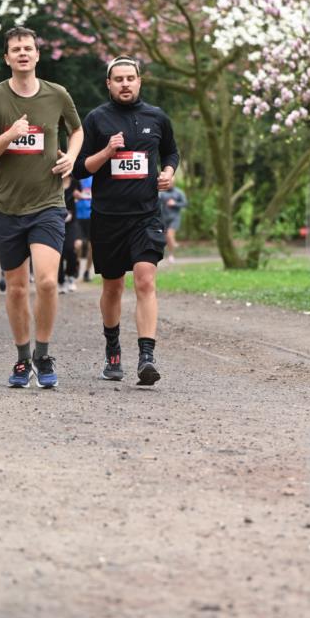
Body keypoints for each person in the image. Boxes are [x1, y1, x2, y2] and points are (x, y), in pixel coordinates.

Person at [0, 25, 83, 388]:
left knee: (49, 282)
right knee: (17, 287)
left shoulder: (57, 94)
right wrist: (10, 134)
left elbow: (77, 129)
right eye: (15, 49)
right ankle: (23, 359)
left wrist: (70, 156)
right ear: (6, 58)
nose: (23, 53)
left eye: (28, 48)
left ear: (37, 55)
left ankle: (43, 352)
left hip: (47, 204)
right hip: (6, 205)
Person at [74, 54, 179, 386]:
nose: (124, 84)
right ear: (109, 84)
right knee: (113, 286)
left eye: (130, 78)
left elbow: (172, 152)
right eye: (118, 79)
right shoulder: (96, 119)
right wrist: (106, 153)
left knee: (146, 281)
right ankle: (113, 350)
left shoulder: (157, 117)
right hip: (107, 217)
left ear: (139, 81)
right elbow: (79, 168)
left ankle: (147, 357)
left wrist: (168, 172)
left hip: (146, 216)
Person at [58, 175, 80, 294]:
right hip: (56, 220)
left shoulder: (75, 182)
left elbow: (81, 195)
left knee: (71, 248)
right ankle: (60, 281)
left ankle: (71, 276)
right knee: (58, 251)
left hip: (71, 221)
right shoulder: (54, 180)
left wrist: (79, 196)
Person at [159, 178, 188, 262]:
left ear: (174, 183)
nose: (170, 183)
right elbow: (156, 203)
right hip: (164, 218)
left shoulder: (179, 192)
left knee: (169, 235)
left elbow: (185, 203)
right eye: (169, 182)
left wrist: (175, 203)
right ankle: (171, 251)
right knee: (166, 239)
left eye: (171, 182)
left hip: (174, 218)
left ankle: (171, 254)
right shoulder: (161, 193)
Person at [73, 174, 93, 280]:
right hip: (77, 216)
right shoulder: (76, 176)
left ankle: (87, 271)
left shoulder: (94, 177)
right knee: (78, 245)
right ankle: (77, 265)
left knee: (92, 246)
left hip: (91, 216)